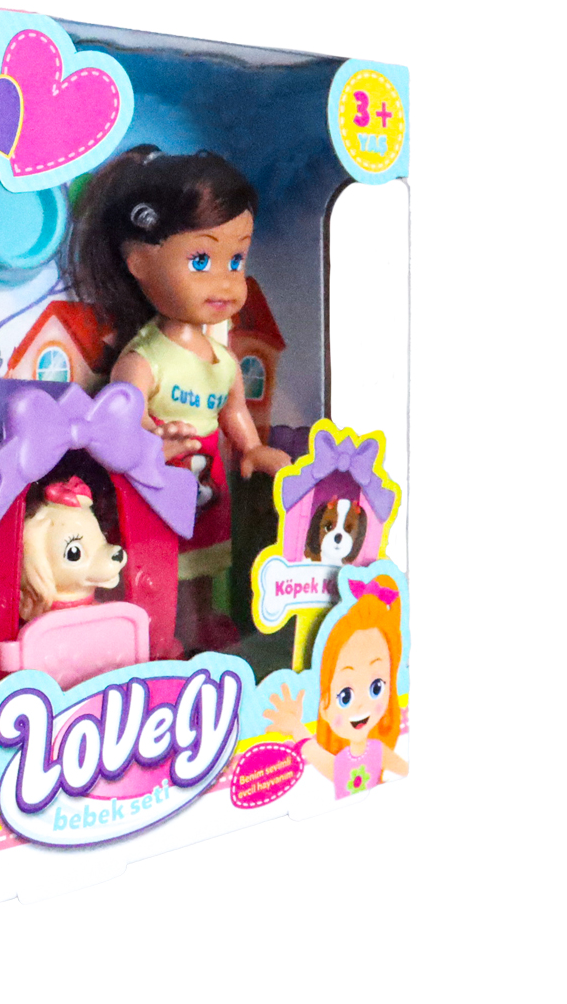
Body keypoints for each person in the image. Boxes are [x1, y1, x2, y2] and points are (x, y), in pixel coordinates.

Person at [67, 145, 290, 650]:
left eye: (236, 259)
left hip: (209, 481)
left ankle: (204, 625)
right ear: (139, 261)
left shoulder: (222, 359)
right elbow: (116, 422)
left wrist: (253, 449)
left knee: (208, 558)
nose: (225, 280)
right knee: (159, 562)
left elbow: (233, 411)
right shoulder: (144, 358)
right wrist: (151, 438)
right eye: (201, 259)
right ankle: (156, 636)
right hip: (154, 484)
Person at [263, 575, 409, 798]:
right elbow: (313, 751)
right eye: (345, 696)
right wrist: (295, 727)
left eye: (376, 687)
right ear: (324, 705)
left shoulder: (379, 751)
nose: (361, 705)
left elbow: (407, 770)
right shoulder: (340, 763)